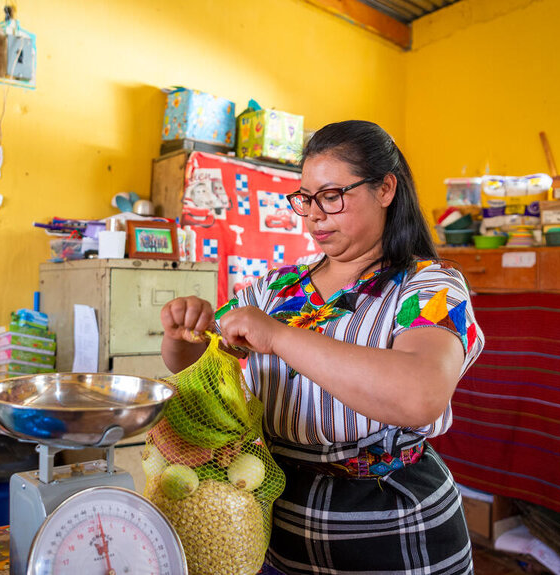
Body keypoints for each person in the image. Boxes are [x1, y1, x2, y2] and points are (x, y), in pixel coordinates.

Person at [160, 120, 484, 574]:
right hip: (280, 521)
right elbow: (201, 361)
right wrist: (182, 334)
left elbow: (420, 395)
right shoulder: (278, 288)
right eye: (305, 199)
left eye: (332, 196)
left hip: (394, 528)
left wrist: (279, 335)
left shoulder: (427, 287)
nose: (313, 214)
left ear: (385, 188)